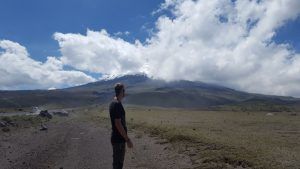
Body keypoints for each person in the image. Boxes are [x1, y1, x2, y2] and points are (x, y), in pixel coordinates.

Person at [109, 83, 133, 169]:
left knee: (117, 163)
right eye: (124, 90)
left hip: (116, 138)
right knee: (118, 164)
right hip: (118, 140)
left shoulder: (113, 103)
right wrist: (127, 139)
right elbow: (118, 124)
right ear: (120, 91)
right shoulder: (117, 104)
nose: (124, 93)